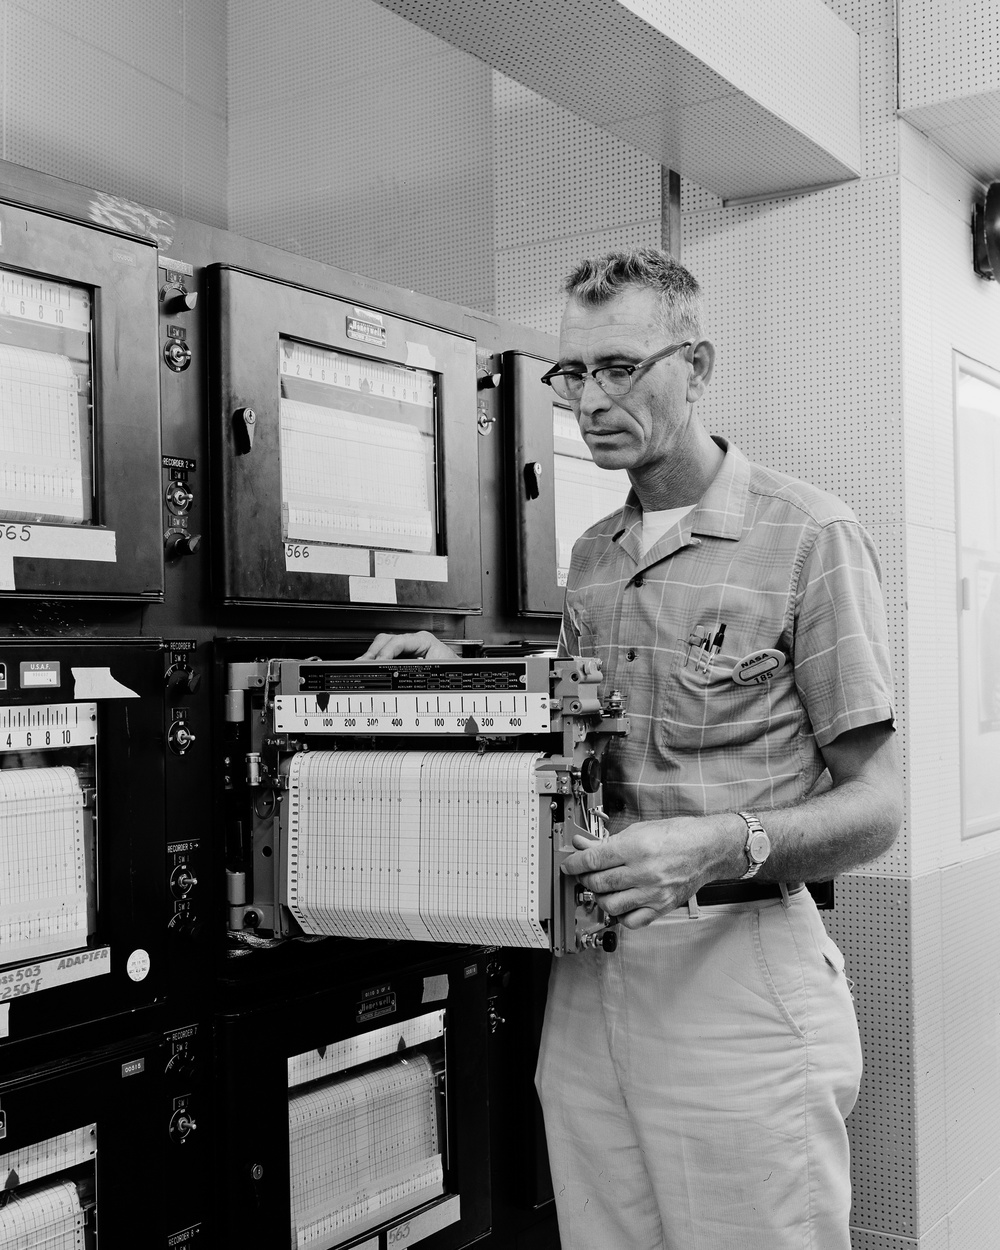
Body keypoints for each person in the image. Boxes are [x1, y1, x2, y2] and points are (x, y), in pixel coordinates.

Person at [359, 247, 902, 1250]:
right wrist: (453, 670)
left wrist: (718, 844)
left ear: (695, 367)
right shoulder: (594, 555)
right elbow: (588, 716)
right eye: (572, 374)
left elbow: (877, 802)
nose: (588, 400)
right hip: (592, 975)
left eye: (620, 368)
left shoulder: (807, 534)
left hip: (736, 973)